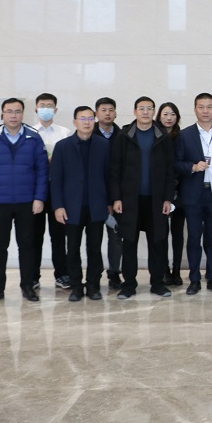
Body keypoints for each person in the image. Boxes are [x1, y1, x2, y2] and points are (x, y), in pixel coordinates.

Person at [0, 98, 49, 304]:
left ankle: (27, 285)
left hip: (27, 202)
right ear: (2, 114)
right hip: (0, 202)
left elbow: (42, 171)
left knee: (27, 245)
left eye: (17, 111)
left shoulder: (34, 138)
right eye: (9, 111)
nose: (13, 115)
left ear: (23, 114)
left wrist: (39, 198)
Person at [109, 96, 177, 299]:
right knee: (129, 243)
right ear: (135, 111)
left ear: (154, 112)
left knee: (158, 242)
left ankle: (157, 283)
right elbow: (115, 170)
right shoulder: (124, 136)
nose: (145, 112)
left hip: (156, 200)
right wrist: (116, 198)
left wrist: (168, 198)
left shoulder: (163, 136)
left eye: (149, 108)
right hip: (130, 199)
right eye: (142, 108)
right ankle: (129, 284)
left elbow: (170, 171)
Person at [51, 106, 111, 302]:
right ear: (74, 122)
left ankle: (93, 285)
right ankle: (76, 286)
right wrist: (58, 206)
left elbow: (109, 176)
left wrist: (110, 202)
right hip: (71, 207)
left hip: (96, 205)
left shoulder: (103, 145)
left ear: (95, 121)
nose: (87, 122)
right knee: (73, 248)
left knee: (95, 248)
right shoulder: (63, 146)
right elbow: (56, 179)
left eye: (90, 118)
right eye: (82, 118)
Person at [176, 93, 212, 294]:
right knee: (193, 237)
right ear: (195, 110)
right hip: (193, 193)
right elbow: (176, 164)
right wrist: (192, 167)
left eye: (209, 107)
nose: (206, 111)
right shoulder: (185, 134)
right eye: (201, 107)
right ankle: (194, 279)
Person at [31, 92, 71, 291]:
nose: (45, 109)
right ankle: (32, 277)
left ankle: (62, 275)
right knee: (34, 237)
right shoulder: (29, 132)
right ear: (36, 108)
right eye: (42, 105)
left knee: (59, 236)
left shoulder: (65, 132)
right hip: (35, 191)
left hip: (58, 192)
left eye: (49, 106)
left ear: (55, 109)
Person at [93, 97, 124, 290]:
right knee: (94, 238)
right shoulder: (88, 134)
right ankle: (94, 276)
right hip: (94, 196)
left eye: (111, 110)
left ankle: (114, 274)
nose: (107, 113)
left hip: (117, 196)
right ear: (96, 113)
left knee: (116, 237)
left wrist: (114, 199)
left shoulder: (123, 136)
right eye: (103, 110)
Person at [156, 102, 184, 286]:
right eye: (165, 114)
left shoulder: (182, 137)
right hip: (160, 192)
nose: (169, 118)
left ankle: (177, 270)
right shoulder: (154, 136)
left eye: (172, 114)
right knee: (162, 233)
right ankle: (164, 269)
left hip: (180, 190)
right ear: (159, 116)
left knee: (178, 233)